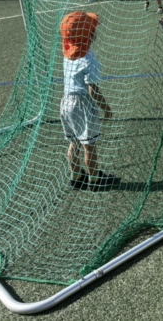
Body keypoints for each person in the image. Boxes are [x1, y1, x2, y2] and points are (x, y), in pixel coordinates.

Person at [59, 11, 115, 191]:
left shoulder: (67, 53)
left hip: (66, 102)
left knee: (74, 142)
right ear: (89, 35)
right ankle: (95, 180)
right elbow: (92, 89)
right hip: (82, 103)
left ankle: (76, 176)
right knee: (89, 145)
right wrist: (106, 108)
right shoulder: (88, 59)